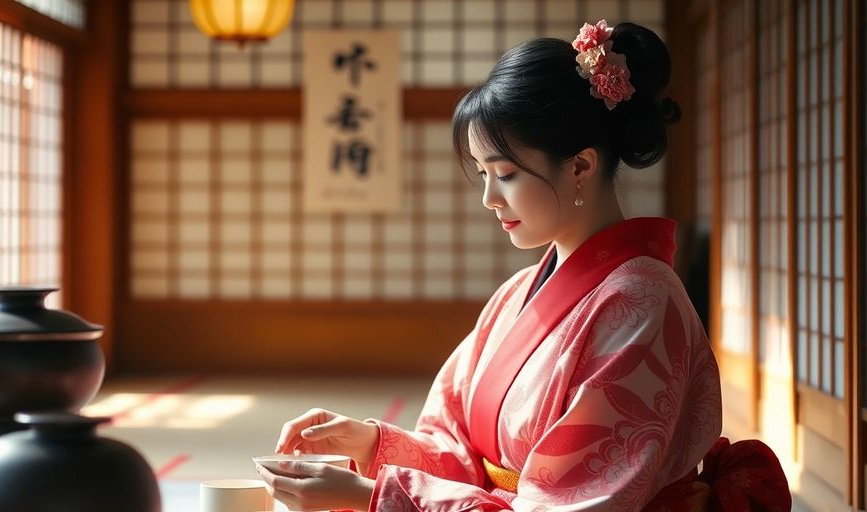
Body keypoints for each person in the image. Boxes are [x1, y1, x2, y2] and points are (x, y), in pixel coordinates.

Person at [255, 20, 790, 512]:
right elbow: (462, 449)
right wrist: (372, 443)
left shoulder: (644, 303)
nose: (489, 197)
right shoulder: (518, 292)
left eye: (505, 173)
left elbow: (573, 503)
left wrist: (374, 497)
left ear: (581, 165)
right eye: (483, 174)